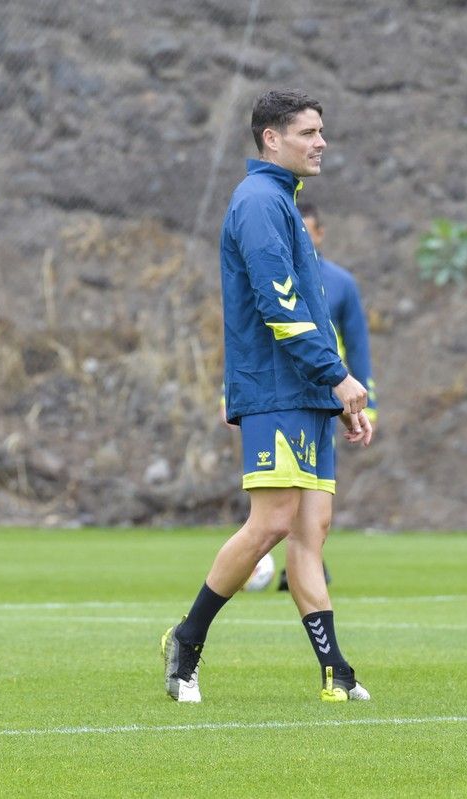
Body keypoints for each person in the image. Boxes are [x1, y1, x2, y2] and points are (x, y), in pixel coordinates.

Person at [162, 89, 373, 704]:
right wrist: (337, 376)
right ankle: (187, 640)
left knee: (312, 529)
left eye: (321, 131)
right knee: (273, 522)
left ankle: (335, 670)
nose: (321, 141)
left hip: (309, 392)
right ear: (271, 139)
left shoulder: (282, 200)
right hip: (276, 389)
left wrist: (340, 396)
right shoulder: (257, 201)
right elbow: (279, 308)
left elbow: (310, 308)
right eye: (308, 131)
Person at [273, 201, 378, 591]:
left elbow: (358, 345)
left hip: (327, 397)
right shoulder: (275, 277)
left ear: (319, 233)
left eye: (307, 229)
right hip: (278, 396)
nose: (299, 235)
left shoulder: (340, 283)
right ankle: (292, 561)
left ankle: (305, 561)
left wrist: (367, 399)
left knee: (315, 492)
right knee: (277, 493)